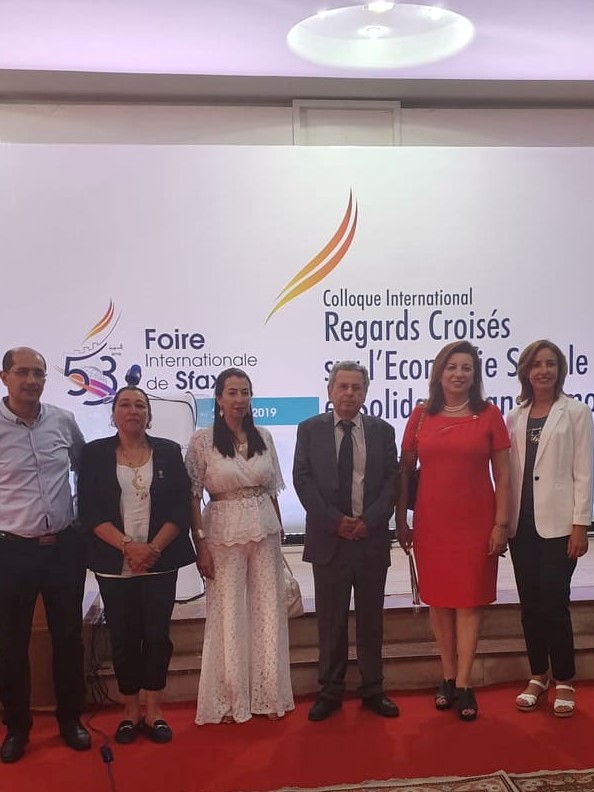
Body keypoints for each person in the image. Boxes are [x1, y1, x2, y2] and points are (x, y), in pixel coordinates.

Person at [396, 341, 510, 722]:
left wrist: (501, 524)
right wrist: (401, 520)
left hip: (476, 523)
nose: (459, 374)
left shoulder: (489, 415)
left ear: (475, 375)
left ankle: (464, 683)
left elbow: (504, 477)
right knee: (439, 602)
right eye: (452, 367)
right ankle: (446, 676)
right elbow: (404, 475)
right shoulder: (420, 416)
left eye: (466, 368)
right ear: (439, 372)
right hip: (432, 523)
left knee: (469, 601)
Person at [78, 385, 195, 744]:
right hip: (113, 563)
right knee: (123, 638)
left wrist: (152, 549)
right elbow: (89, 510)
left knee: (157, 637)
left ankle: (154, 710)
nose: (133, 411)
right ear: (113, 413)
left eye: (140, 405)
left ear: (149, 413)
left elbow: (180, 508)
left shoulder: (169, 451)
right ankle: (130, 711)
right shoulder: (94, 453)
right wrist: (129, 547)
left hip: (161, 560)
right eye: (125, 405)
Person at [185, 368, 294, 724]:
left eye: (245, 392)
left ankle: (268, 695)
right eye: (232, 392)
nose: (239, 399)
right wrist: (199, 543)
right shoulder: (202, 441)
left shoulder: (264, 436)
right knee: (228, 613)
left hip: (265, 531)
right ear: (218, 398)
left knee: (268, 611)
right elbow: (192, 496)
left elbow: (272, 491)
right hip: (222, 533)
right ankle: (231, 699)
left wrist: (279, 534)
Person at [293, 361, 399, 722]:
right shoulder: (310, 430)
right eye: (343, 387)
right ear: (330, 391)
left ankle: (373, 689)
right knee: (330, 622)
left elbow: (392, 481)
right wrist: (336, 521)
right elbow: (302, 480)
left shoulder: (382, 431)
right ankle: (330, 691)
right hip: (329, 541)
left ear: (366, 393)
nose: (349, 393)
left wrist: (368, 521)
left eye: (357, 387)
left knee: (371, 621)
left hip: (370, 540)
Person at [0, 347, 90, 764]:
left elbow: (83, 469)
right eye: (22, 372)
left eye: (38, 373)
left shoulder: (63, 420)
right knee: (10, 644)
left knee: (69, 639)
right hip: (11, 551)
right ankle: (17, 728)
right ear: (4, 377)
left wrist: (82, 521)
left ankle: (71, 720)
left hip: (63, 549)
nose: (31, 381)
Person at [507, 340, 593, 718]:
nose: (543, 370)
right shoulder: (514, 416)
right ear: (526, 371)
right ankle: (538, 675)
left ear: (560, 370)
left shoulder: (576, 412)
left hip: (559, 528)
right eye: (536, 364)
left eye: (551, 364)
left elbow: (583, 472)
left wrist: (580, 525)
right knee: (529, 606)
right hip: (521, 527)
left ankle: (565, 679)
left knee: (554, 603)